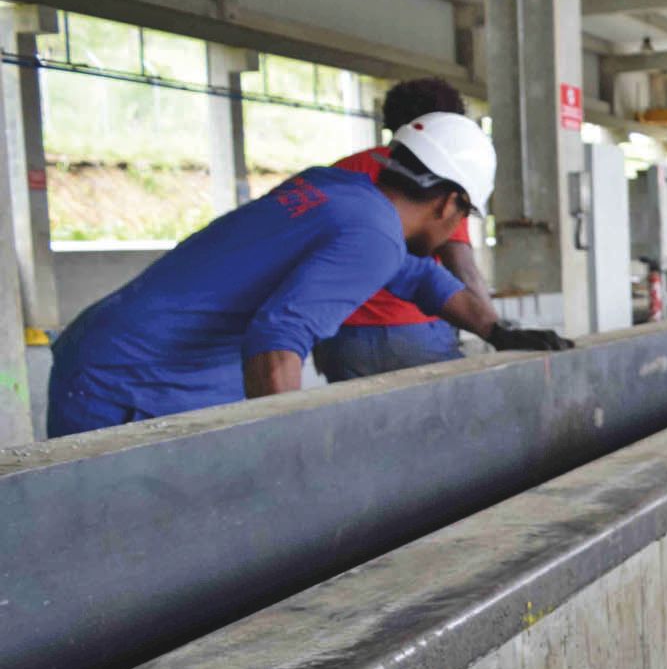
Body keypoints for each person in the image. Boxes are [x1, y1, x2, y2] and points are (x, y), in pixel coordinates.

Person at [49, 114, 493, 435]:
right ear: (448, 204)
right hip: (136, 383)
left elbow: (417, 278)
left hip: (119, 356)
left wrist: (498, 329)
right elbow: (277, 338)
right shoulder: (374, 232)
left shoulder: (340, 191)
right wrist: (290, 455)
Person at [316, 77, 568, 380]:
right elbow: (462, 267)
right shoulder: (438, 175)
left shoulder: (343, 170)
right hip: (411, 332)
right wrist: (497, 333)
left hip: (339, 336)